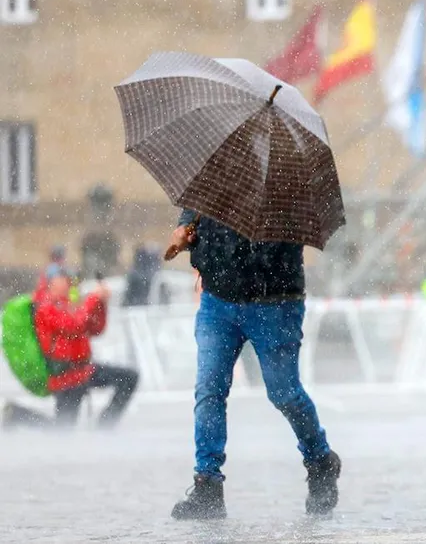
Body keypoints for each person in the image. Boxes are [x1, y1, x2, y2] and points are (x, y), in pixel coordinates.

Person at [165, 210, 340, 520]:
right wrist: (185, 228)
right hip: (218, 300)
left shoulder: (286, 181)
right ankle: (207, 484)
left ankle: (320, 460)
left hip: (274, 303)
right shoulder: (219, 170)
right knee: (209, 389)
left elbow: (279, 250)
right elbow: (197, 205)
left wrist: (243, 246)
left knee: (283, 393)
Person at [2, 267, 138, 430]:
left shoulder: (68, 304)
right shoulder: (45, 307)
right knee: (62, 432)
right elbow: (74, 325)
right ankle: (18, 414)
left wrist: (101, 304)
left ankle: (105, 427)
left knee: (129, 378)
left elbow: (95, 328)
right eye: (64, 278)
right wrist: (94, 298)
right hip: (65, 378)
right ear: (50, 282)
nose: (69, 283)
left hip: (84, 371)